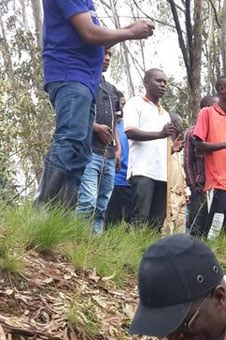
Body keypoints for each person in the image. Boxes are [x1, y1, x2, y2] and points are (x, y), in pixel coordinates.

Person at [38, 0, 153, 209]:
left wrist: (129, 29)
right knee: (70, 140)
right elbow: (90, 34)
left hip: (86, 82)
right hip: (70, 74)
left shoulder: (86, 4)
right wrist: (131, 33)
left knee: (81, 152)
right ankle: (42, 212)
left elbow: (97, 40)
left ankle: (59, 220)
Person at [192, 76, 226, 243]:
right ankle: (209, 256)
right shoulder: (207, 113)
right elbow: (198, 144)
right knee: (214, 224)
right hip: (217, 181)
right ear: (221, 89)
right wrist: (224, 144)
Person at [124, 68, 177, 230]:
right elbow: (130, 132)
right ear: (146, 82)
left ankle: (151, 254)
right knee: (140, 218)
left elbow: (161, 144)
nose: (163, 85)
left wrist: (173, 148)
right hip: (142, 171)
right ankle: (132, 253)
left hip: (162, 174)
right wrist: (160, 134)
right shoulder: (135, 103)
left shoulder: (165, 114)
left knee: (156, 222)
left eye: (165, 82)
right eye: (158, 81)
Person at [75, 49, 121, 232]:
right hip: (89, 152)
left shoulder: (112, 90)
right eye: (103, 53)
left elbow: (116, 121)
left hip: (108, 155)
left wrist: (118, 149)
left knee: (102, 204)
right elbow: (76, 114)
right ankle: (76, 240)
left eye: (110, 54)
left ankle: (94, 244)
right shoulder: (83, 83)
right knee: (87, 201)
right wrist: (96, 127)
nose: (107, 58)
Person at [184, 94, 219, 237]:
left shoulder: (222, 131)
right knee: (196, 225)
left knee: (214, 227)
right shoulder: (192, 132)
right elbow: (187, 161)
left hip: (219, 186)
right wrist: (193, 185)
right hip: (201, 186)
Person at [104, 94, 132, 226]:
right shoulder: (109, 127)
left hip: (131, 182)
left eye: (124, 104)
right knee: (110, 222)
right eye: (120, 104)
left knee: (131, 223)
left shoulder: (130, 126)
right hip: (114, 180)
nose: (122, 108)